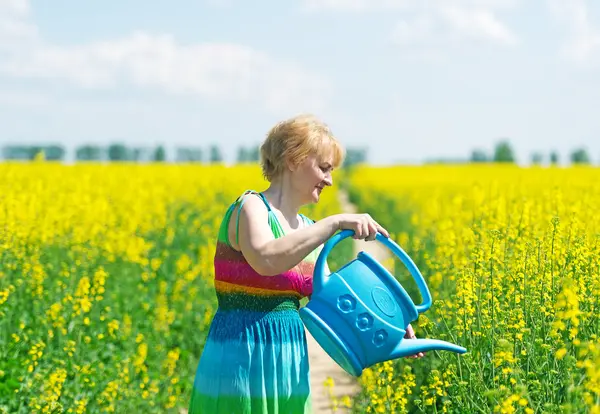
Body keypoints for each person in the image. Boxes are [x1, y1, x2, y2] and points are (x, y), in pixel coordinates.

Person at [188, 114, 424, 414]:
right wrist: (336, 221)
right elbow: (266, 258)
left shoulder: (309, 231)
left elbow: (337, 307)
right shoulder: (250, 208)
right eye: (324, 168)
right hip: (240, 355)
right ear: (292, 159)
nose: (329, 179)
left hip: (288, 363)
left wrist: (392, 327)